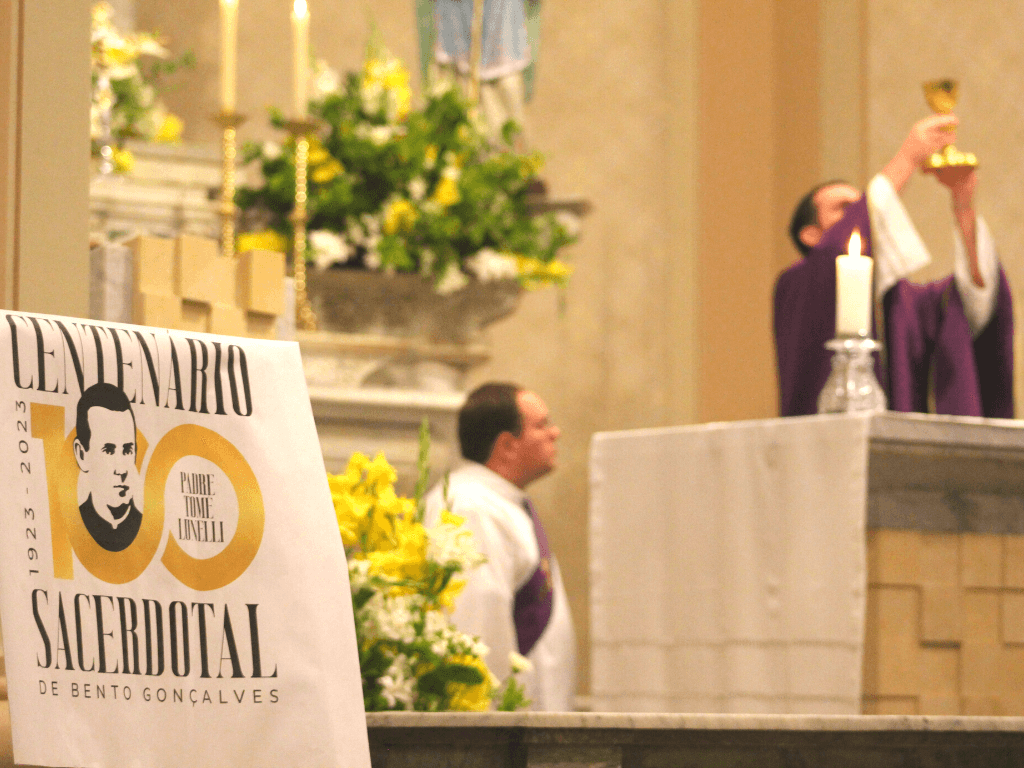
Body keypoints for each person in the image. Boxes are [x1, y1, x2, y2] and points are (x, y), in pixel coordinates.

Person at [774, 113, 1014, 417]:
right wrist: (907, 159)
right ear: (810, 234)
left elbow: (973, 305)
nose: (860, 216)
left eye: (860, 204)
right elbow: (836, 249)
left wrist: (963, 206)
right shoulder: (796, 287)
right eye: (844, 209)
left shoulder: (903, 303)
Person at [424, 382, 576, 711]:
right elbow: (477, 629)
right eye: (542, 425)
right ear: (507, 445)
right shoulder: (471, 508)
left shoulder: (499, 503)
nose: (556, 433)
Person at [73, 382, 143, 552]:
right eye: (109, 451)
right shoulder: (77, 521)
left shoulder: (142, 524)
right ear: (82, 455)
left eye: (127, 450)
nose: (121, 470)